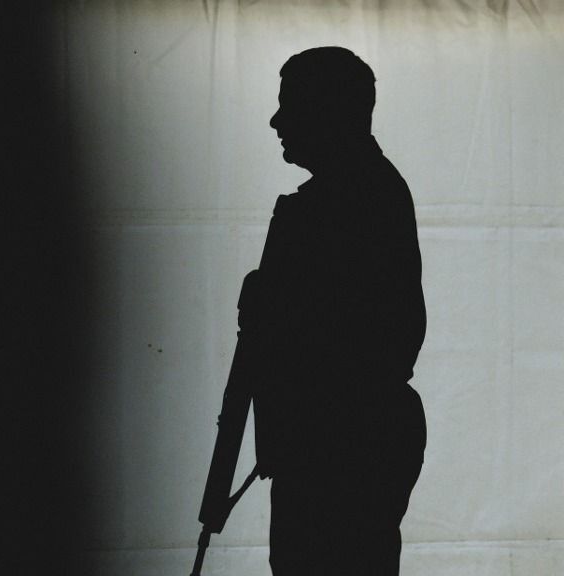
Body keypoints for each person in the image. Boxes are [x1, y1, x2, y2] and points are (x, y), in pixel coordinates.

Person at [243, 47, 428, 575]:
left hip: (337, 448)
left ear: (327, 111)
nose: (276, 121)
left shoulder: (352, 200)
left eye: (290, 106)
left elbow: (351, 340)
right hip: (337, 444)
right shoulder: (360, 193)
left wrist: (271, 308)